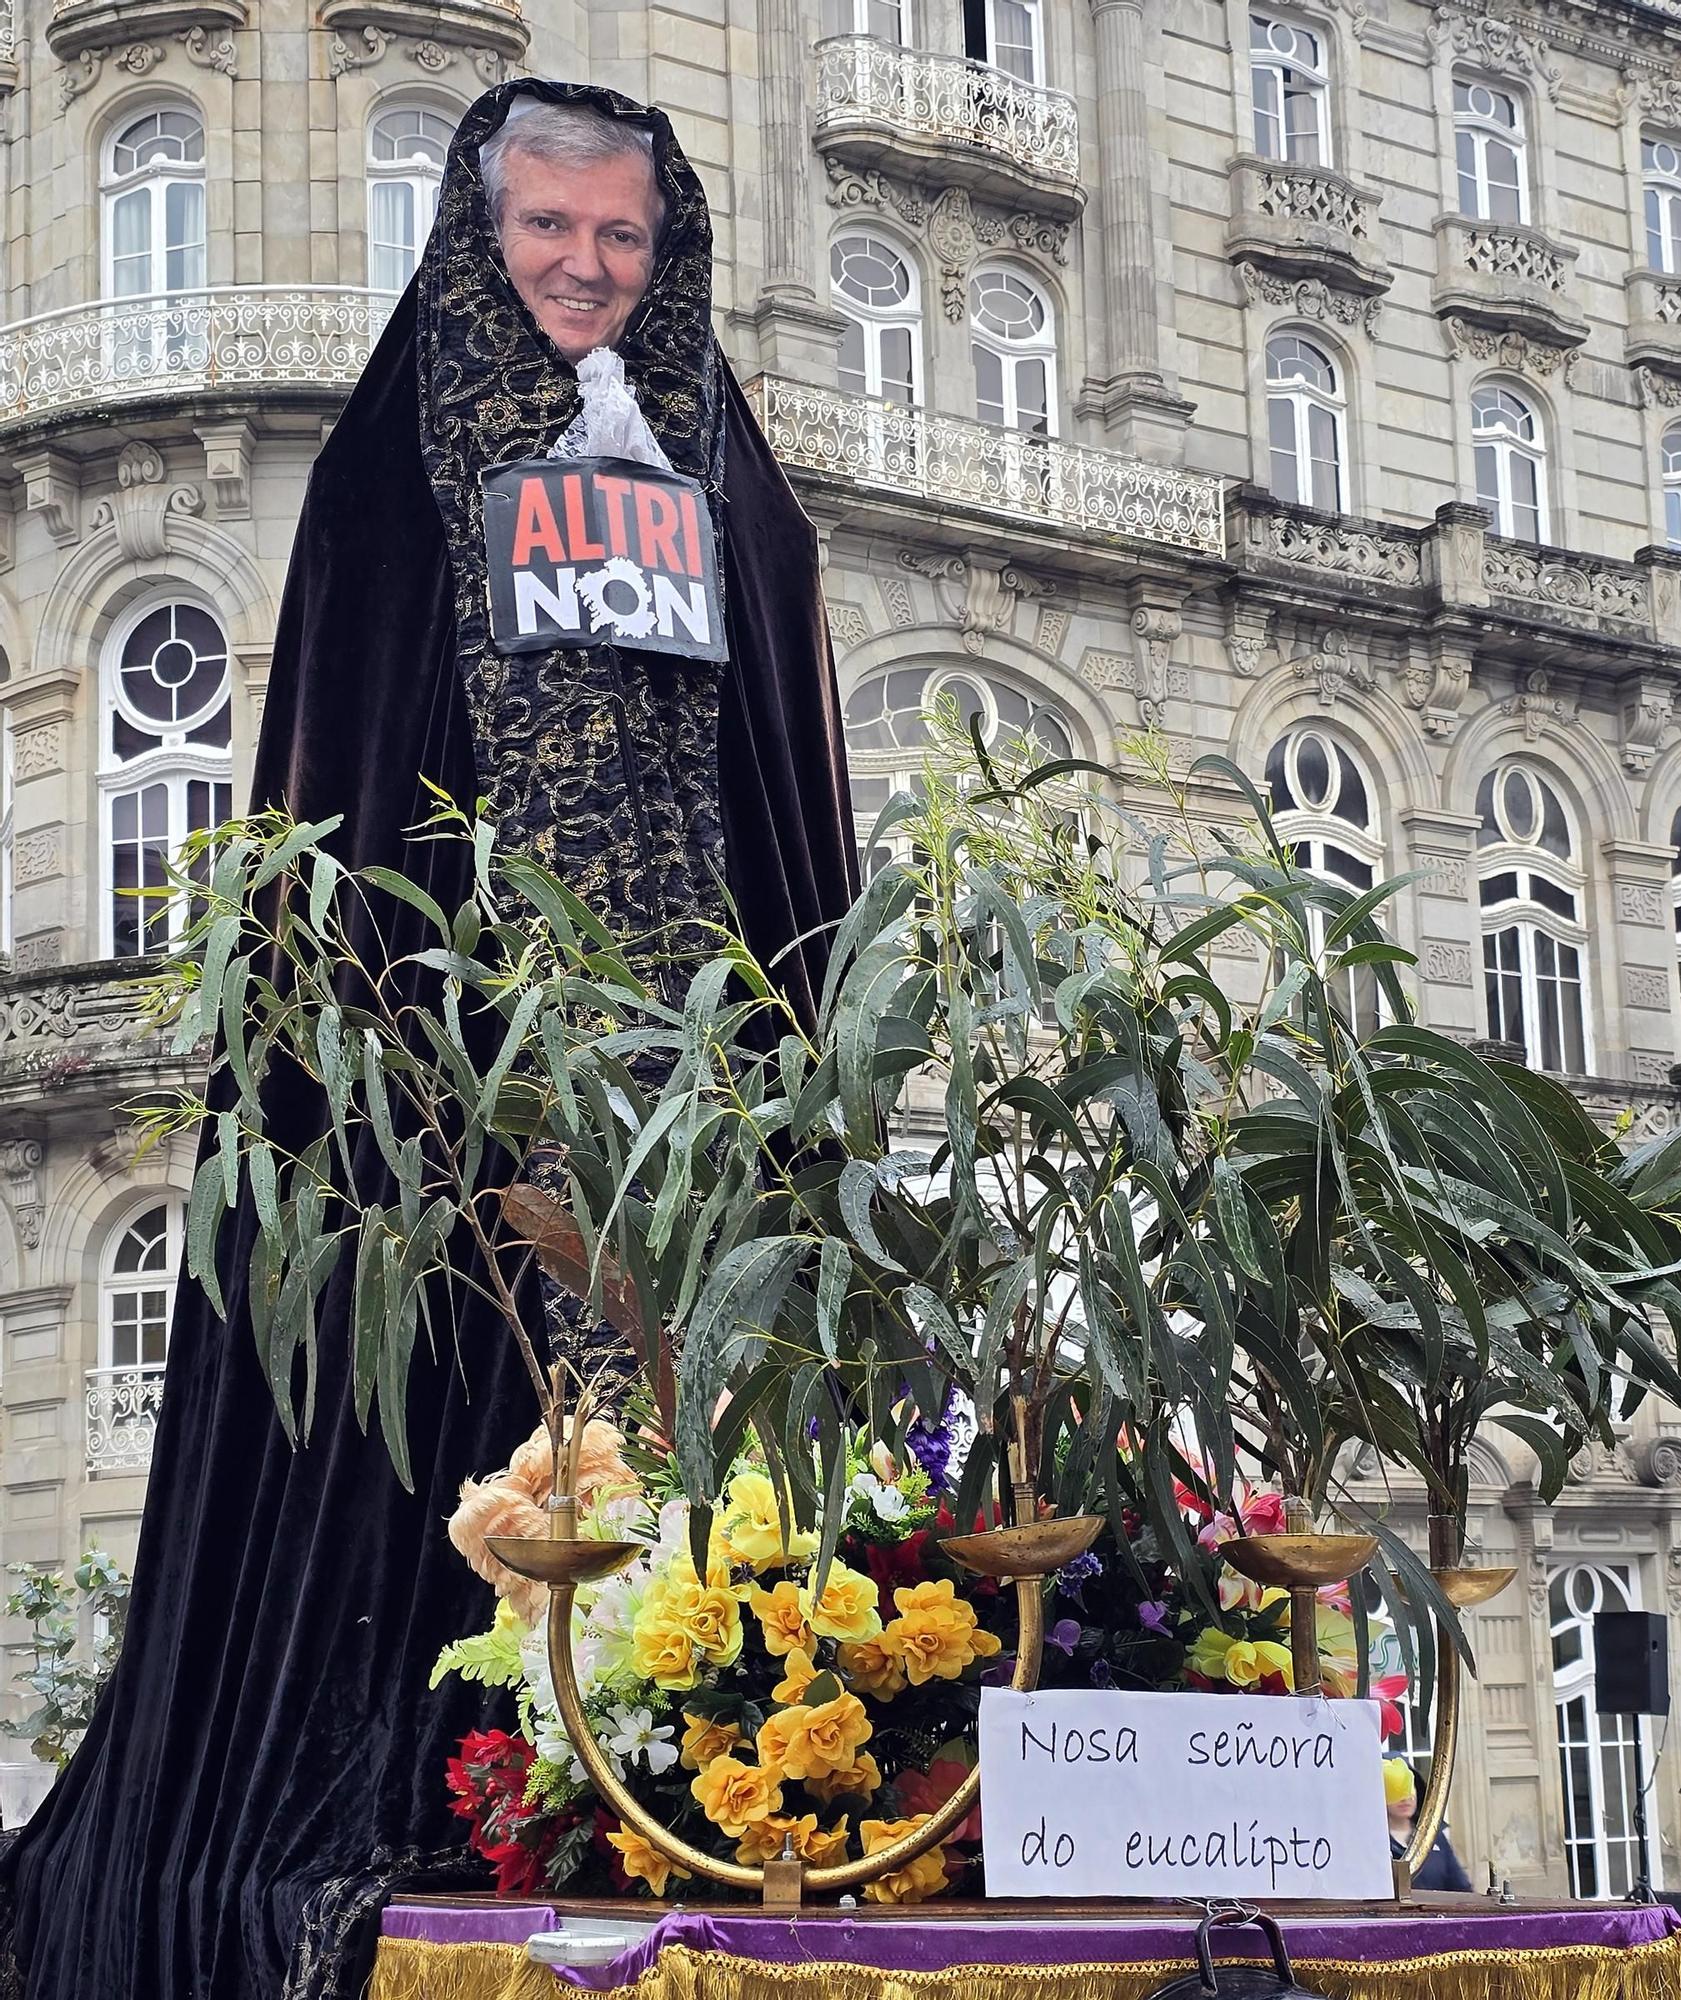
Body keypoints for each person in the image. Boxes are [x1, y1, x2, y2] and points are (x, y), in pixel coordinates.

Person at [0, 82, 858, 2000]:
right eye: (547, 228)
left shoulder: (730, 461)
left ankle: (718, 1752)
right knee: (470, 1408)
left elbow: (791, 745)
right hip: (474, 1068)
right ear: (483, 231)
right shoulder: (396, 463)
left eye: (622, 236)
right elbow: (351, 751)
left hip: (689, 1053)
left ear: (670, 245)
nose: (585, 268)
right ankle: (479, 1771)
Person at [1386, 1755, 1474, 1892]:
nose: (1405, 1798)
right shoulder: (1373, 1844)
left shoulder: (1433, 1835)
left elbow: (1460, 1887)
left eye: (1409, 1787)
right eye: (1395, 1788)